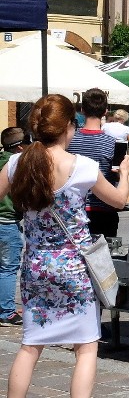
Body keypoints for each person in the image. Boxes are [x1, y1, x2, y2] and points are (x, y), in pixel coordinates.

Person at [0, 94, 129, 398]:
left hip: (35, 266)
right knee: (85, 348)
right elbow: (118, 201)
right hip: (74, 267)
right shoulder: (82, 166)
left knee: (31, 346)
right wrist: (124, 174)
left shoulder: (18, 162)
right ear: (68, 128)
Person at [67, 88, 122, 238]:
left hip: (72, 210)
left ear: (82, 110)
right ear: (105, 111)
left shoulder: (69, 141)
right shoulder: (113, 144)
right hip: (104, 210)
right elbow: (118, 176)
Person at [0, 128, 30, 326]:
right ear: (20, 147)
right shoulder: (16, 166)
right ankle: (7, 312)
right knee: (8, 269)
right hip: (8, 222)